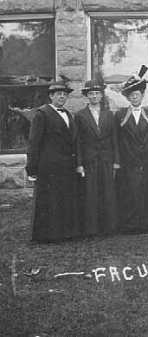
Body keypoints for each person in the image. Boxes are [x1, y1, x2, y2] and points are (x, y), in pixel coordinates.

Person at [26, 77, 81, 242]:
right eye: (58, 94)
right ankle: (47, 235)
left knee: (64, 198)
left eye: (64, 94)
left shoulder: (69, 115)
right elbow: (34, 142)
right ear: (51, 96)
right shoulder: (42, 114)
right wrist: (32, 168)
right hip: (49, 167)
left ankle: (64, 232)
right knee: (49, 200)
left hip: (66, 166)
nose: (62, 97)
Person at [115, 65, 148, 233]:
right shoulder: (120, 115)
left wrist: (147, 153)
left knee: (146, 190)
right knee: (129, 191)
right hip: (127, 160)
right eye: (131, 95)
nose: (135, 98)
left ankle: (147, 223)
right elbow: (118, 138)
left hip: (145, 160)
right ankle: (129, 224)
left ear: (142, 95)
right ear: (128, 97)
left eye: (137, 94)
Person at [75, 80, 119, 236]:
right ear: (87, 96)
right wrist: (79, 163)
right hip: (90, 160)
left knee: (108, 192)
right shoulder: (80, 115)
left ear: (101, 95)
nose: (94, 96)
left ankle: (109, 227)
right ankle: (91, 228)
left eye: (97, 93)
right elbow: (78, 141)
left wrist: (116, 161)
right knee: (91, 193)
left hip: (107, 159)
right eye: (91, 94)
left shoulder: (109, 114)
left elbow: (115, 139)